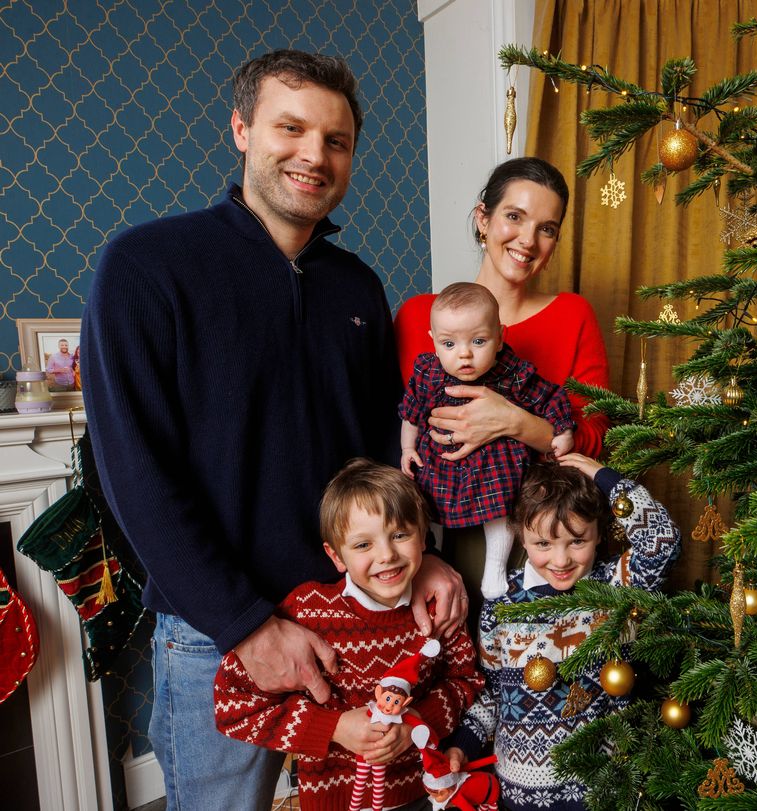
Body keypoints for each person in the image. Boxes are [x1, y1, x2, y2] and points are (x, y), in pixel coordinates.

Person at [82, 49, 467, 809]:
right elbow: (135, 471)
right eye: (289, 128)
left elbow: (379, 466)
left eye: (336, 140)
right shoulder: (145, 266)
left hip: (355, 608)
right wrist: (247, 625)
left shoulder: (355, 287)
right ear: (241, 129)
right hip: (215, 636)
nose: (313, 155)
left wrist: (422, 558)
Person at [394, 157, 610, 599]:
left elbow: (594, 440)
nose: (528, 240)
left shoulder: (573, 315)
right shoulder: (418, 317)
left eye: (547, 228)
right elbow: (402, 436)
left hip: (545, 538)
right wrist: (424, 553)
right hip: (439, 529)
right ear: (483, 218)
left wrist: (513, 421)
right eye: (515, 217)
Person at [215, 459, 483, 811]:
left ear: (422, 535)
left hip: (426, 793)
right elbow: (231, 705)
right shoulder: (308, 612)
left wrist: (418, 722)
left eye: (400, 535)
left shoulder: (436, 609)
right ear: (335, 555)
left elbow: (467, 682)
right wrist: (334, 727)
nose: (386, 555)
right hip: (335, 799)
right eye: (362, 545)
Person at [442, 454, 681, 811]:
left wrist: (605, 478)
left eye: (576, 541)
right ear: (520, 536)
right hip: (519, 795)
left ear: (599, 532)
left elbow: (662, 542)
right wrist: (464, 742)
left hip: (602, 791)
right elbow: (493, 692)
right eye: (543, 544)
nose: (560, 560)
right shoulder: (501, 602)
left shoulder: (613, 586)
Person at [401, 282, 574, 599]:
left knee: (501, 506)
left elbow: (550, 398)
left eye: (478, 341)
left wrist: (562, 430)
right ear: (434, 343)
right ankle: (431, 555)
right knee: (424, 506)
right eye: (449, 344)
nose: (464, 353)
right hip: (439, 465)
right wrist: (408, 448)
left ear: (500, 338)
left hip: (493, 466)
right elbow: (411, 412)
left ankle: (495, 569)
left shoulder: (512, 373)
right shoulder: (428, 373)